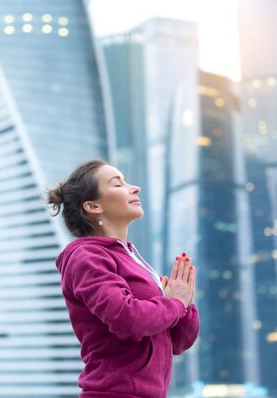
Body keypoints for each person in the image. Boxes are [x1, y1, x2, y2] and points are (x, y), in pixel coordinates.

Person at [47, 159, 199, 398]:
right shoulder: (87, 256)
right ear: (93, 206)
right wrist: (174, 303)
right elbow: (126, 319)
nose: (135, 188)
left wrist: (184, 305)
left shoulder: (133, 260)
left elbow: (178, 343)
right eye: (117, 184)